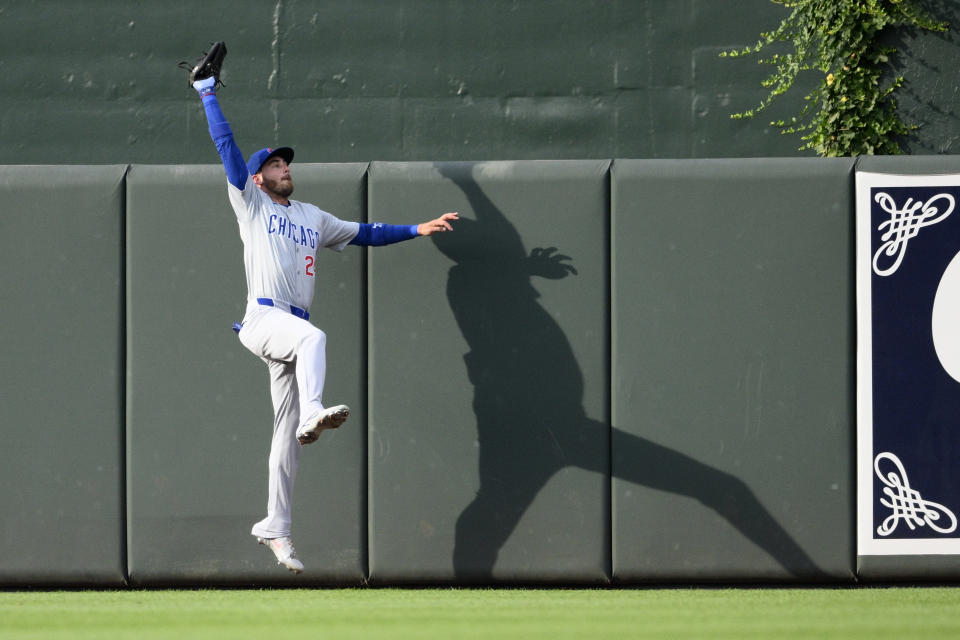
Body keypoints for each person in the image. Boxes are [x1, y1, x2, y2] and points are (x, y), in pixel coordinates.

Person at [187, 47, 458, 574]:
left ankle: (275, 528)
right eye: (273, 164)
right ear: (258, 177)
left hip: (290, 325)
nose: (283, 167)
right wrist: (207, 93)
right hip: (266, 320)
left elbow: (368, 234)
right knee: (313, 343)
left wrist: (418, 229)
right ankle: (315, 409)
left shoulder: (312, 216)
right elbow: (226, 145)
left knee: (286, 437)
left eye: (285, 161)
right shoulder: (250, 202)